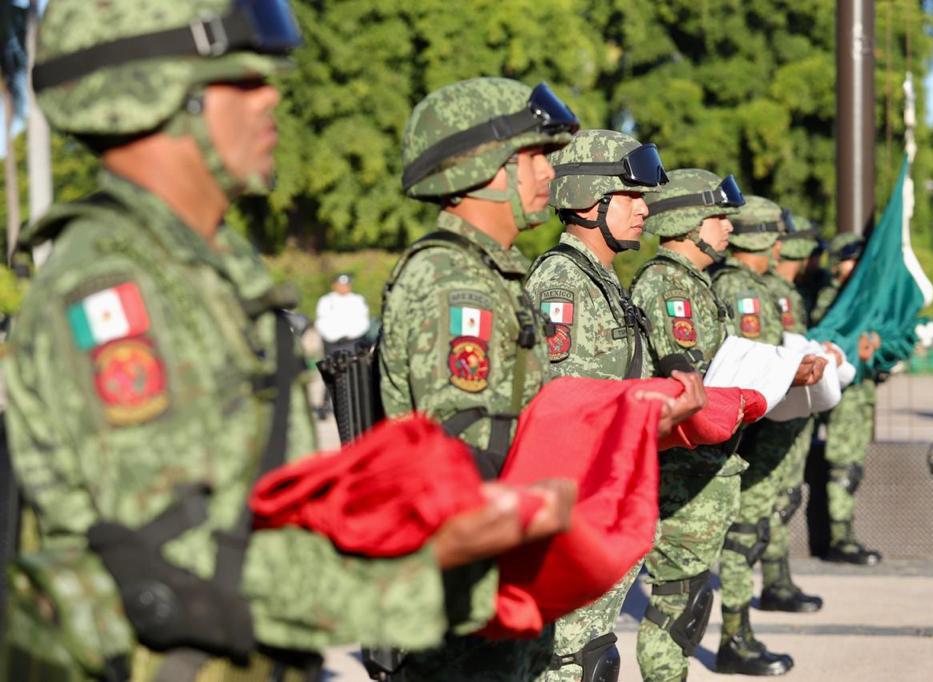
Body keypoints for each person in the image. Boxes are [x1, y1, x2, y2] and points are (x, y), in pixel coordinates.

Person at [3, 4, 574, 680]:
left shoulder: (205, 266)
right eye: (240, 81)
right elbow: (172, 567)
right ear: (155, 96)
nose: (271, 96)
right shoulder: (112, 291)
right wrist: (428, 568)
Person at [380, 80, 703, 682]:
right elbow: (473, 451)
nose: (548, 173)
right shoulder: (458, 286)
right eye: (532, 157)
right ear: (483, 168)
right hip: (469, 590)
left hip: (499, 569)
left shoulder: (489, 276)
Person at [525, 130, 706, 682]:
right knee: (574, 660)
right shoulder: (562, 282)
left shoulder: (601, 280)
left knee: (591, 651)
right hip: (576, 501)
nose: (645, 209)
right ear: (588, 201)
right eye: (631, 197)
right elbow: (562, 403)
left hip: (606, 494)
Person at [629, 168, 749, 681]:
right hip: (684, 470)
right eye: (716, 216)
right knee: (677, 604)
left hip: (709, 464)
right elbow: (686, 370)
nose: (727, 228)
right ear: (684, 220)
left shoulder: (694, 283)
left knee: (690, 597)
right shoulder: (665, 283)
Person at [710, 195, 824, 676]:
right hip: (751, 430)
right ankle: (735, 638)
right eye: (773, 231)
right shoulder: (741, 287)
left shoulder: (750, 283)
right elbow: (751, 361)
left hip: (760, 424)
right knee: (743, 534)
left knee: (754, 528)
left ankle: (742, 630)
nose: (781, 241)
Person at [757, 214, 824, 613]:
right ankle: (774, 581)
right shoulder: (773, 291)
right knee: (774, 499)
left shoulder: (784, 290)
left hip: (791, 409)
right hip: (778, 412)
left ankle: (779, 578)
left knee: (786, 496)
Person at [811, 233, 883, 565]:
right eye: (852, 259)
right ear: (839, 263)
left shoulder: (862, 298)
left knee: (851, 465)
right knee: (842, 467)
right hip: (844, 393)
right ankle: (840, 539)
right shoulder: (834, 299)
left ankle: (846, 534)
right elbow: (829, 338)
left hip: (860, 394)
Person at [315, 273, 371, 354]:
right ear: (334, 285)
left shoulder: (357, 300)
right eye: (340, 285)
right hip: (332, 343)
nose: (343, 287)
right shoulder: (325, 301)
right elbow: (321, 321)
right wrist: (332, 336)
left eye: (346, 285)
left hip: (353, 342)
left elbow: (363, 321)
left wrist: (350, 335)